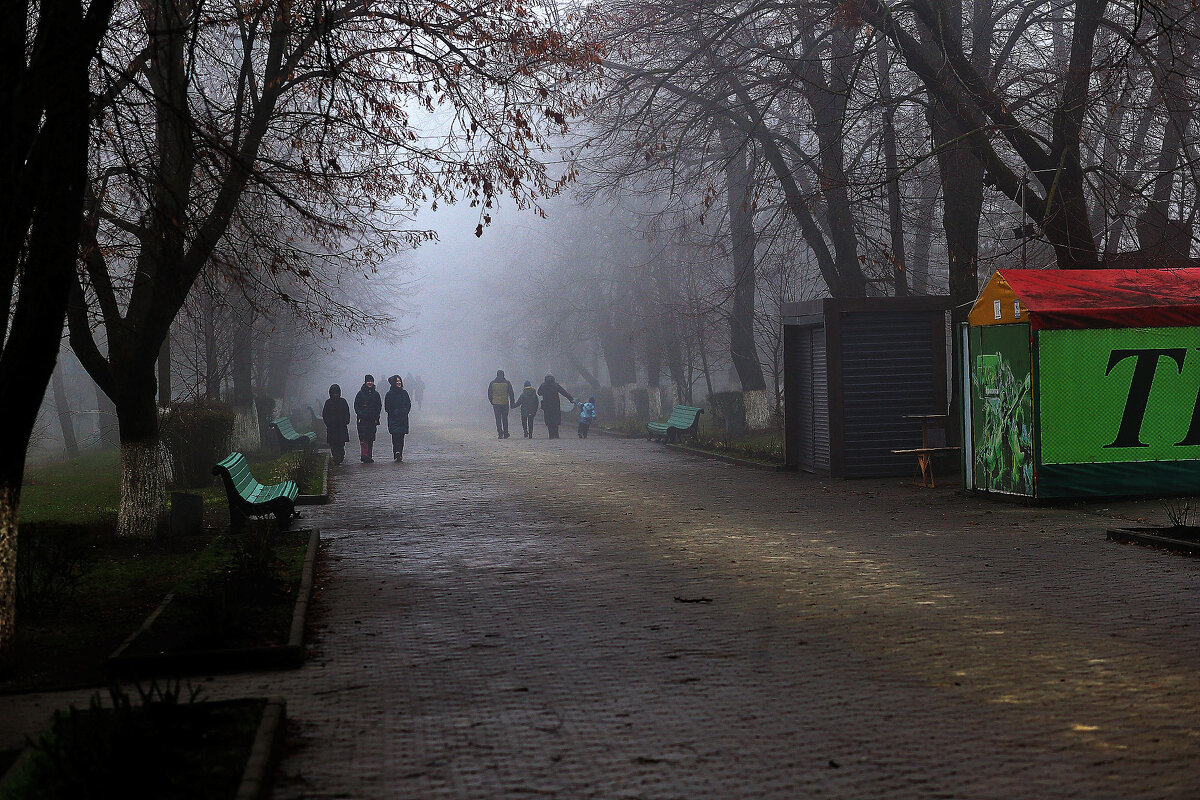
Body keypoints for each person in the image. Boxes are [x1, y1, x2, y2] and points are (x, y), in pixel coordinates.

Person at [354, 374, 382, 463]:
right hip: (362, 420)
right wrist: (361, 414)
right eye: (368, 381)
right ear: (365, 382)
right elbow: (356, 405)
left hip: (372, 419)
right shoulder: (360, 393)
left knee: (370, 437)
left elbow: (379, 406)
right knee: (363, 437)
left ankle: (369, 455)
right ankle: (364, 454)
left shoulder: (376, 394)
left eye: (371, 381)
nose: (370, 383)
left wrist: (376, 415)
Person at [537, 374, 574, 439]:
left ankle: (551, 435)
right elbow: (564, 392)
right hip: (555, 405)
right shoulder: (555, 385)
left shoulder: (543, 385)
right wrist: (571, 399)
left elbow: (539, 393)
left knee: (548, 419)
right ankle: (556, 434)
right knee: (555, 419)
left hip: (547, 405)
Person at [385, 375, 412, 461]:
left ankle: (399, 452)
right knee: (395, 436)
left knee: (401, 436)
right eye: (396, 381)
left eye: (399, 381)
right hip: (393, 418)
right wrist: (394, 412)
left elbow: (408, 404)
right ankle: (396, 452)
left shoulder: (404, 393)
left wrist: (405, 411)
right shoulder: (389, 394)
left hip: (403, 418)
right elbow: (387, 407)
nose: (398, 382)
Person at [322, 384, 351, 465]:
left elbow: (347, 412)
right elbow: (325, 414)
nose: (335, 394)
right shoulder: (328, 402)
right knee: (333, 444)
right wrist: (328, 423)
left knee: (341, 444)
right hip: (332, 428)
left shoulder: (343, 401)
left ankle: (340, 456)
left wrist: (346, 421)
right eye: (333, 393)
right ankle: (336, 457)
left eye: (336, 393)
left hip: (341, 427)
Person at [487, 369, 516, 439]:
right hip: (505, 403)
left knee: (498, 419)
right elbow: (511, 393)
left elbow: (489, 393)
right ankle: (506, 433)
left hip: (496, 403)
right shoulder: (507, 383)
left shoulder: (492, 383)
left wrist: (492, 401)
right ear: (503, 375)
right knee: (505, 418)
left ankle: (500, 433)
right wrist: (512, 403)